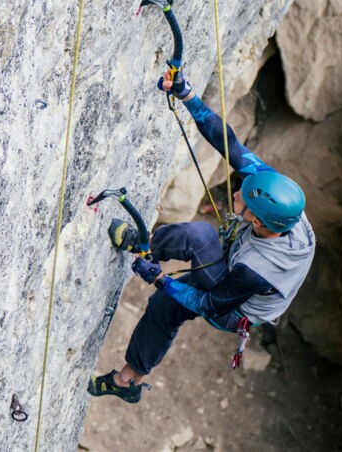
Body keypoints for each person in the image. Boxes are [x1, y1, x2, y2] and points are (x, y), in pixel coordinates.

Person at [87, 71, 316, 403]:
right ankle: (143, 243)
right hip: (239, 261)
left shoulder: (256, 269)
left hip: (235, 309)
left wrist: (161, 279)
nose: (237, 193)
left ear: (261, 222)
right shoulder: (278, 197)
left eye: (244, 200)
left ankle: (126, 382)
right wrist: (188, 96)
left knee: (174, 290)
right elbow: (231, 146)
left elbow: (209, 302)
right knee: (195, 245)